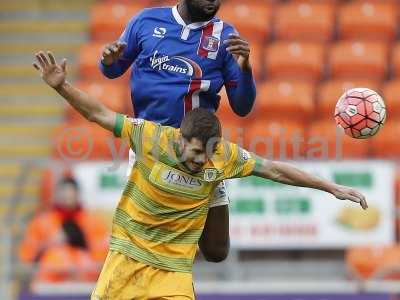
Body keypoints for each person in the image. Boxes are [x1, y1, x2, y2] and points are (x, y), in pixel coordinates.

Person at [33, 51, 368, 299]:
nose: (200, 161)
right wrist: (62, 88)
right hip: (125, 261)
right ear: (179, 138)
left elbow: (275, 170)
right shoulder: (150, 137)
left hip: (173, 272)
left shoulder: (222, 158)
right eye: (195, 153)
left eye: (207, 154)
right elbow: (99, 114)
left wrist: (331, 187)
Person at [99, 0, 256, 262]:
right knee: (145, 246)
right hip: (150, 147)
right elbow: (113, 69)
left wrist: (245, 69)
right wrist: (108, 61)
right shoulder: (145, 22)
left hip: (199, 150)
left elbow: (242, 106)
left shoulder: (225, 37)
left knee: (217, 250)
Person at [19, 177, 109, 266]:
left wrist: (84, 243)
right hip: (50, 277)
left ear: (78, 194)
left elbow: (104, 255)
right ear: (57, 195)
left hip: (84, 277)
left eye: (71, 192)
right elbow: (27, 256)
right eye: (64, 192)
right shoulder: (41, 222)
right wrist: (47, 245)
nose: (67, 196)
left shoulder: (93, 222)